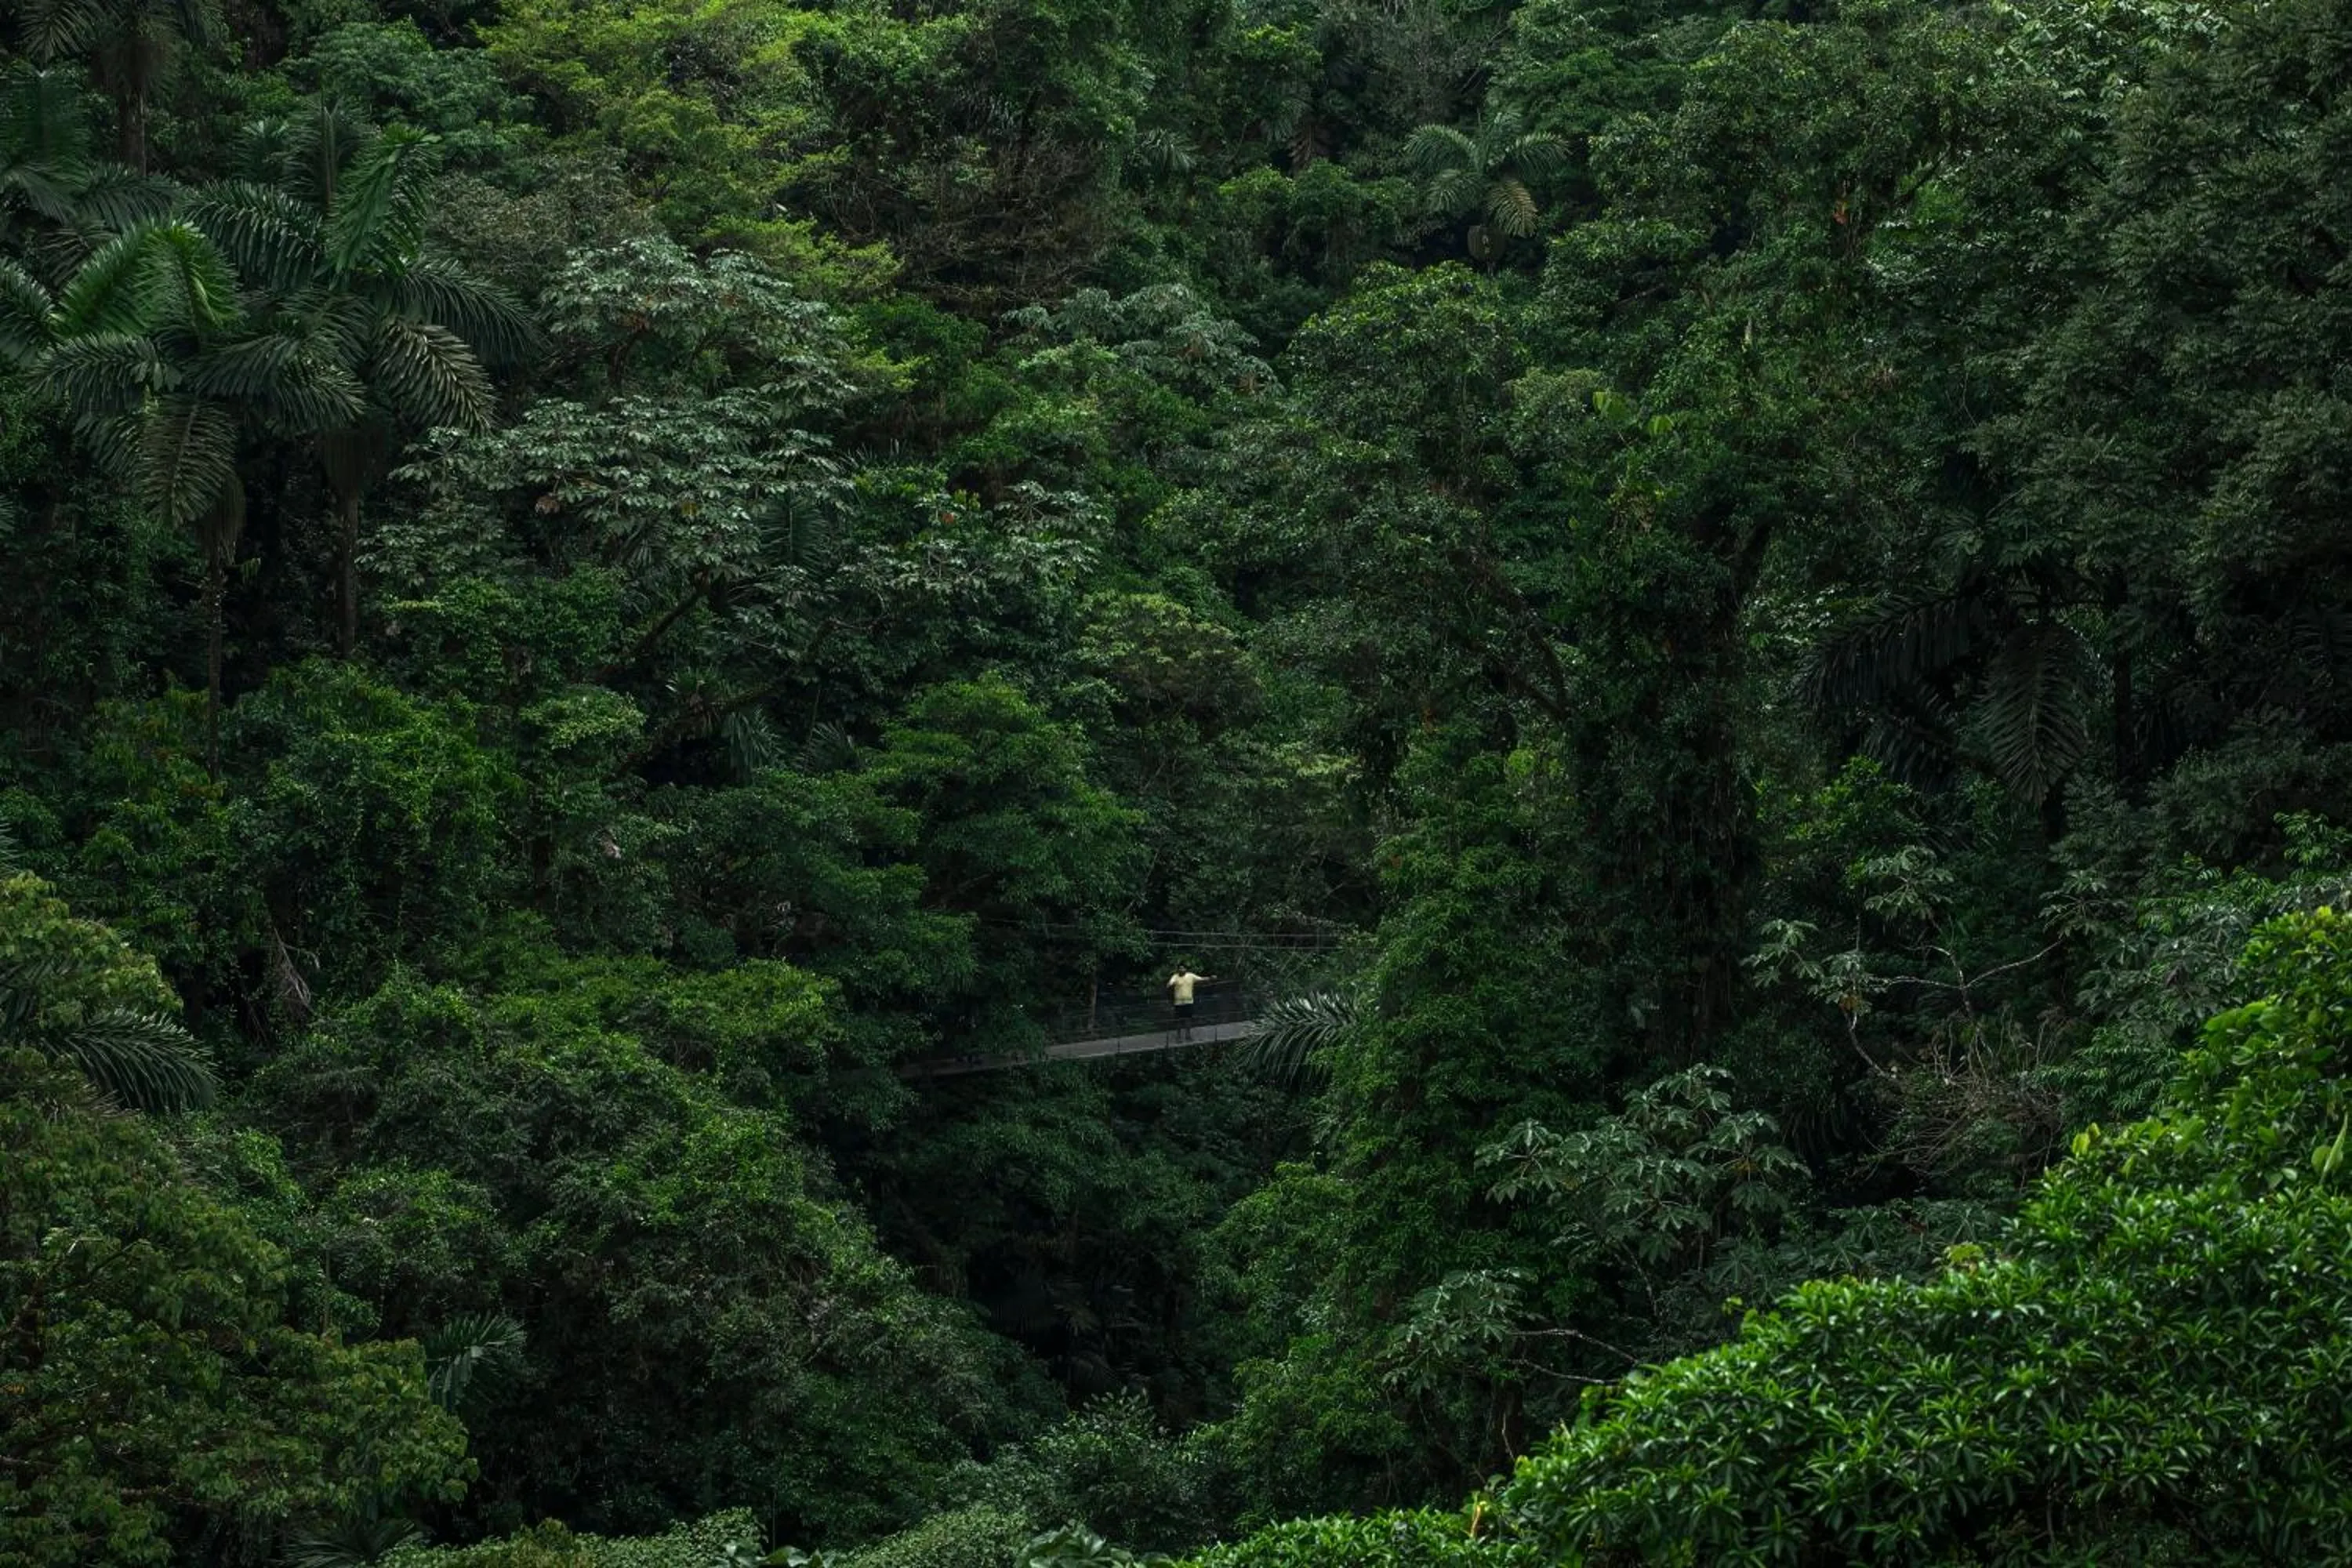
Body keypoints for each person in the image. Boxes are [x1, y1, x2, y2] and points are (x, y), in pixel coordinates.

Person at [1166, 965, 1212, 1039]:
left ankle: (1188, 1035)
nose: (1182, 970)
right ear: (1178, 970)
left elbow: (1201, 979)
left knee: (1188, 1019)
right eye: (1180, 968)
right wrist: (1169, 984)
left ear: (1186, 969)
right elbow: (1171, 982)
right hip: (1178, 1003)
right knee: (1178, 1020)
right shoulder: (1175, 976)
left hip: (1189, 1002)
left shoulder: (1191, 976)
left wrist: (1210, 978)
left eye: (1183, 968)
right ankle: (1179, 1036)